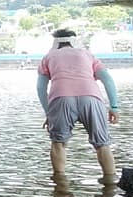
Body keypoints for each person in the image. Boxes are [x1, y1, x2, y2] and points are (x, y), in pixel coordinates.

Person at [37, 29, 120, 183]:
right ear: (75, 41)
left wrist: (49, 113)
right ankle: (110, 188)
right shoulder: (87, 55)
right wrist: (114, 107)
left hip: (61, 99)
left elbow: (41, 88)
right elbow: (107, 79)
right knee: (102, 144)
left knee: (59, 143)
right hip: (91, 98)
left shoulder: (48, 57)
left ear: (55, 42)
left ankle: (60, 187)